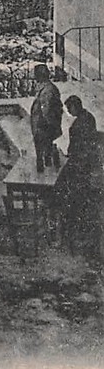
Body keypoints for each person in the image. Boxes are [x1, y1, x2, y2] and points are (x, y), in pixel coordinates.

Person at [62, 96, 103, 267]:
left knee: (71, 193)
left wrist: (72, 157)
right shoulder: (88, 117)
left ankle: (71, 223)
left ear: (75, 106)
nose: (69, 113)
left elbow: (81, 147)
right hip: (85, 164)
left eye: (70, 109)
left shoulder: (81, 123)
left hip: (82, 166)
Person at [30, 64, 63, 173]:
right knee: (45, 155)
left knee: (44, 156)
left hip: (43, 128)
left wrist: (49, 127)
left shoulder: (47, 90)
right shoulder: (46, 87)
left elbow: (46, 111)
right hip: (43, 127)